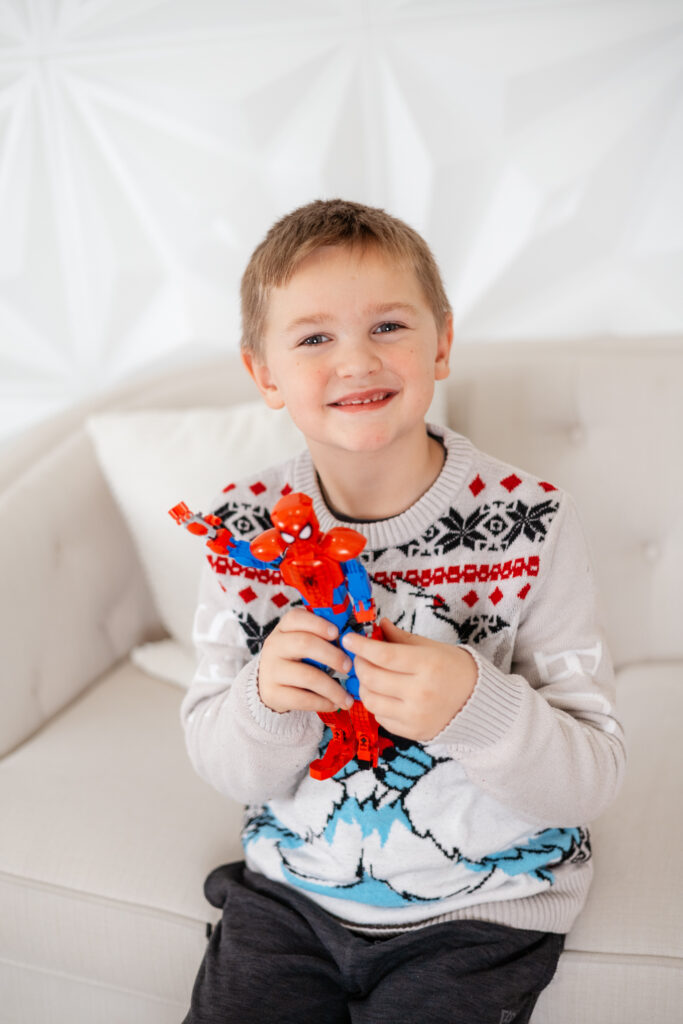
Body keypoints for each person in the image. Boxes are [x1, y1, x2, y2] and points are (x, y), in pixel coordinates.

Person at [180, 199, 625, 1024]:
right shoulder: (241, 526)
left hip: (483, 916)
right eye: (313, 338)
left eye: (388, 325)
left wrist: (475, 708)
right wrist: (264, 703)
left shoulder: (531, 520)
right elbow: (221, 759)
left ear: (442, 343)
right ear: (264, 375)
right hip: (287, 902)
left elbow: (590, 777)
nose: (355, 361)